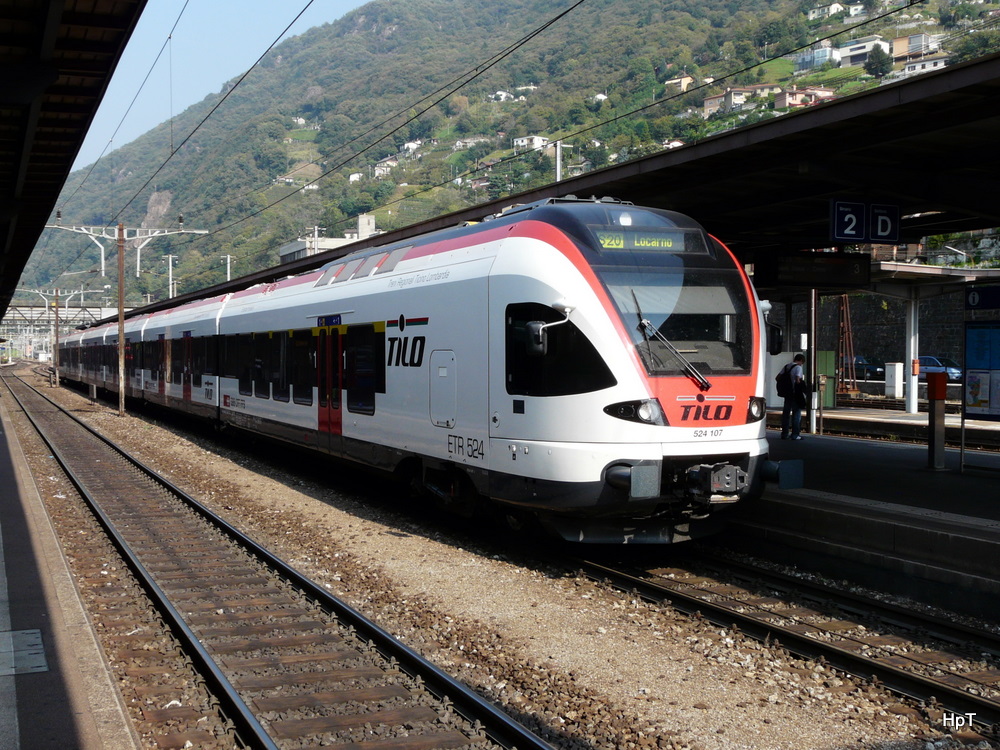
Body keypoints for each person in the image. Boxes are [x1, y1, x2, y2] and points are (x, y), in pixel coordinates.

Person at [779, 353, 809, 440]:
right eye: (802, 363)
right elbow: (797, 380)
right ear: (801, 361)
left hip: (787, 394)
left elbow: (777, 378)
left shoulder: (786, 367)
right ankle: (795, 435)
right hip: (795, 394)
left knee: (786, 414)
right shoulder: (798, 367)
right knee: (796, 414)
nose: (801, 364)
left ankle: (784, 434)